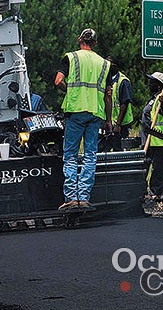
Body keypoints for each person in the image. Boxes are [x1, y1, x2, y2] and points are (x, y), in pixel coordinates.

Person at [54, 28, 112, 211]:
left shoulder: (71, 58)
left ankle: (72, 197)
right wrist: (109, 120)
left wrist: (69, 91)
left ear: (79, 39)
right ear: (95, 43)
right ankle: (84, 197)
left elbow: (58, 81)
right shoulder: (104, 63)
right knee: (90, 156)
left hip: (75, 111)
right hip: (95, 113)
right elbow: (108, 94)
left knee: (70, 155)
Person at [141, 72, 163, 200]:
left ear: (159, 85)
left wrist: (162, 104)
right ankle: (142, 191)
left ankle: (156, 192)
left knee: (158, 167)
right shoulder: (154, 97)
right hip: (148, 139)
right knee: (144, 165)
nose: (149, 84)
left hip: (158, 139)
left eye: (152, 82)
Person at [104, 67, 135, 152]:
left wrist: (118, 125)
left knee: (120, 151)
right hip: (110, 123)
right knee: (103, 150)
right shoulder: (106, 79)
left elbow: (125, 103)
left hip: (122, 125)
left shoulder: (123, 81)